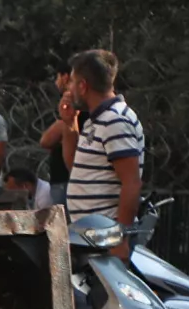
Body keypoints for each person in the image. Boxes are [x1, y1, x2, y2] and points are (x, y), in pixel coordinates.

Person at [61, 49, 145, 252]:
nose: (68, 88)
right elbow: (76, 168)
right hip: (89, 237)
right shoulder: (95, 120)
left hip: (106, 237)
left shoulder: (115, 120)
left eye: (72, 82)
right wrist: (70, 124)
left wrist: (120, 239)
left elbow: (131, 182)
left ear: (83, 86)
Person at [38, 69, 83, 209]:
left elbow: (46, 140)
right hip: (63, 179)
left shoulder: (76, 102)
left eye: (57, 76)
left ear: (65, 77)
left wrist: (64, 124)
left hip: (66, 181)